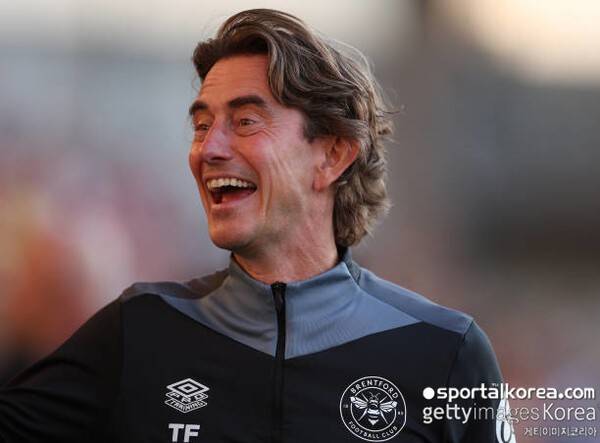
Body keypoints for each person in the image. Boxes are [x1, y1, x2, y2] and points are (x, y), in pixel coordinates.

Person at [0, 9, 514, 443]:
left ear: (333, 155)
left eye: (245, 121)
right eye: (202, 125)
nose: (209, 148)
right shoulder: (137, 332)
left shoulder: (447, 352)